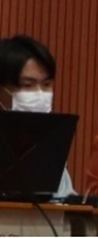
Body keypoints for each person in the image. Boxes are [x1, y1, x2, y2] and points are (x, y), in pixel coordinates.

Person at [0, 35, 76, 197]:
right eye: (28, 85)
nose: (40, 93)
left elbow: (67, 199)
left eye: (46, 85)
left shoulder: (49, 142)